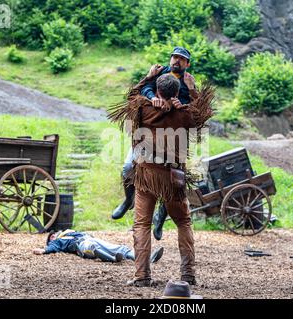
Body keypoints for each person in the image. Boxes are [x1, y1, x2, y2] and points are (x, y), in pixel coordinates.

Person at [108, 73, 214, 287]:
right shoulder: (185, 114)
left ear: (158, 91)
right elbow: (204, 112)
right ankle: (188, 275)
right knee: (183, 222)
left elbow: (131, 96)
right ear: (177, 93)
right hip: (173, 178)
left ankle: (142, 276)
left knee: (142, 224)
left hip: (146, 175)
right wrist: (191, 89)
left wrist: (147, 80)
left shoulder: (144, 108)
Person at [111, 47, 198, 242]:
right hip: (147, 138)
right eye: (175, 57)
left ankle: (160, 217)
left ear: (187, 64)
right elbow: (143, 89)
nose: (177, 61)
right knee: (127, 167)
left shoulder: (189, 82)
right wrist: (154, 98)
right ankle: (128, 200)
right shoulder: (158, 72)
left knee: (172, 182)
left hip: (173, 140)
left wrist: (178, 104)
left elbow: (196, 111)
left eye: (182, 59)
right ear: (170, 58)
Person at [33, 229, 164, 264]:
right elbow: (51, 247)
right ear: (52, 238)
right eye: (53, 235)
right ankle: (113, 259)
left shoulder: (70, 232)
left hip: (88, 239)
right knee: (92, 246)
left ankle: (148, 259)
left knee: (119, 248)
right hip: (82, 245)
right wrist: (43, 250)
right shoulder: (57, 241)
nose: (55, 234)